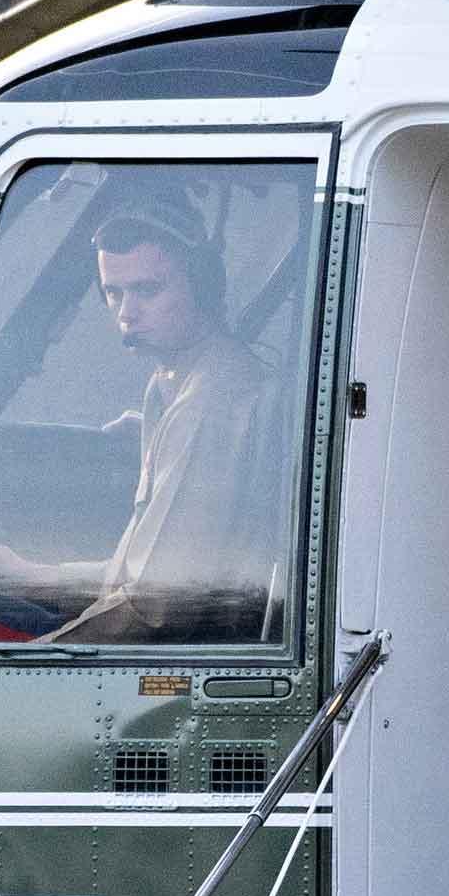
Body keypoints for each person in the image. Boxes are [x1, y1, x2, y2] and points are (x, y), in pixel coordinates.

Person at [54, 211, 299, 645]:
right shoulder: (170, 384)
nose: (127, 312)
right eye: (113, 293)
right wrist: (20, 571)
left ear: (203, 289)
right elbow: (131, 577)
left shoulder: (209, 403)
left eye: (147, 290)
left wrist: (36, 654)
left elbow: (154, 609)